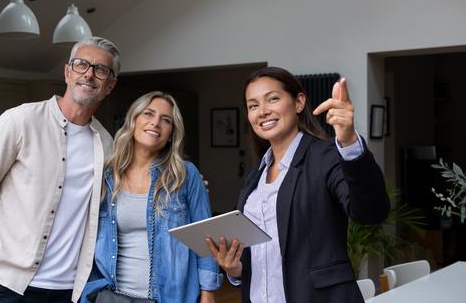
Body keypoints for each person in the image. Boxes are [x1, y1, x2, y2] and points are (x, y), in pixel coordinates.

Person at [0, 37, 120, 303]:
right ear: (68, 72)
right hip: (13, 286)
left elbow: (126, 194)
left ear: (110, 85)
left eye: (101, 70)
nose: (89, 74)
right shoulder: (20, 120)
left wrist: (183, 184)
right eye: (81, 65)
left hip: (72, 290)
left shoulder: (106, 143)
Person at [206, 67, 390, 303]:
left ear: (299, 102)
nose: (262, 111)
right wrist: (234, 269)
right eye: (253, 106)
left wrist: (349, 141)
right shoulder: (255, 177)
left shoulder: (327, 156)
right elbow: (264, 256)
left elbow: (371, 212)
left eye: (272, 99)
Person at [81, 91, 222, 303]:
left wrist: (208, 293)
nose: (155, 123)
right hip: (110, 296)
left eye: (166, 120)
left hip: (170, 297)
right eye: (148, 114)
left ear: (171, 133)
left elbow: (206, 238)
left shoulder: (185, 175)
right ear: (134, 119)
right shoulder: (106, 174)